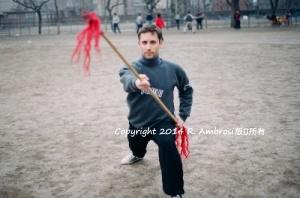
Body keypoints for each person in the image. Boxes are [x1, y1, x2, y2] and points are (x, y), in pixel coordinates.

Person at [119, 25, 193, 198]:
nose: (148, 46)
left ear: (161, 43)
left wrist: (182, 115)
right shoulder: (132, 67)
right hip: (138, 122)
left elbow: (186, 90)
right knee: (136, 146)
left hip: (163, 122)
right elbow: (126, 79)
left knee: (168, 146)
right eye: (144, 42)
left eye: (153, 42)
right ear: (139, 44)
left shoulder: (174, 69)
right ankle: (137, 154)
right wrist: (137, 83)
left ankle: (174, 192)